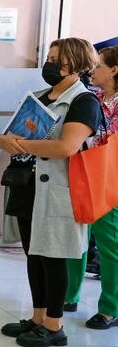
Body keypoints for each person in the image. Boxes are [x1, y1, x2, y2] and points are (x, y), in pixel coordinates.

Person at [0, 37, 100, 347]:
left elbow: (67, 147)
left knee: (53, 257)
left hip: (58, 191)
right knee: (34, 254)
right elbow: (9, 135)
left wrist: (21, 145)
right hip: (27, 186)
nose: (49, 64)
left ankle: (55, 325)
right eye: (50, 58)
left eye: (56, 59)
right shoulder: (39, 97)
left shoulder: (84, 102)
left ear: (75, 64)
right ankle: (38, 317)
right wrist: (6, 141)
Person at [64, 45, 118, 330]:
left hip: (110, 180)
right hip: (83, 173)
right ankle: (68, 295)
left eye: (98, 66)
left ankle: (111, 308)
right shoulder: (91, 98)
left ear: (114, 70)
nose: (92, 71)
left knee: (109, 245)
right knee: (76, 237)